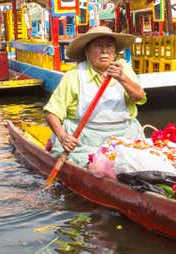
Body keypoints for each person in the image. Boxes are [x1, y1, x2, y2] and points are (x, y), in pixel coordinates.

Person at [44, 26, 146, 165]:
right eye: (98, 46)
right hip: (85, 141)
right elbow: (51, 112)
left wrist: (122, 78)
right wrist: (63, 137)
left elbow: (139, 97)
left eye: (109, 46)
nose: (104, 51)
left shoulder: (124, 68)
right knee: (92, 164)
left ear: (115, 51)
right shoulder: (74, 75)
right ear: (87, 51)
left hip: (125, 137)